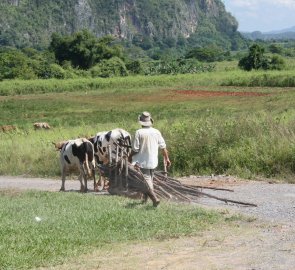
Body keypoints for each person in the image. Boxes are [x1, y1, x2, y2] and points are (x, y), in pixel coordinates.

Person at [129, 111, 171, 207]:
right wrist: (167, 158)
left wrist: (130, 156)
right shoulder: (156, 132)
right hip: (153, 161)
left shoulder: (139, 132)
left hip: (141, 162)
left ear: (140, 122)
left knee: (146, 182)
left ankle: (155, 199)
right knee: (149, 179)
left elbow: (135, 149)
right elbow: (163, 147)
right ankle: (144, 200)